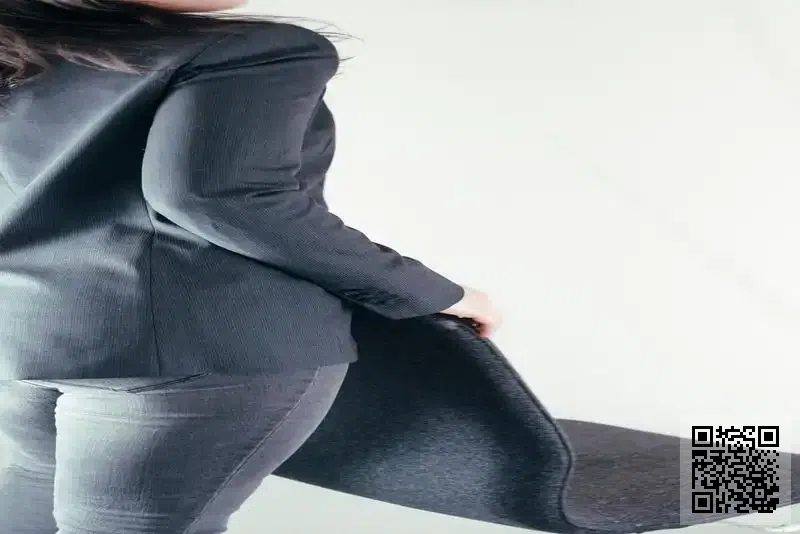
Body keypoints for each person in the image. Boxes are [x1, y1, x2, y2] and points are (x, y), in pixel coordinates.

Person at [0, 0, 502, 532]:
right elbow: (222, 198)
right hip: (198, 353)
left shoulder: (23, 51)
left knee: (30, 501)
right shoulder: (251, 50)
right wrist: (429, 292)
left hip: (29, 337)